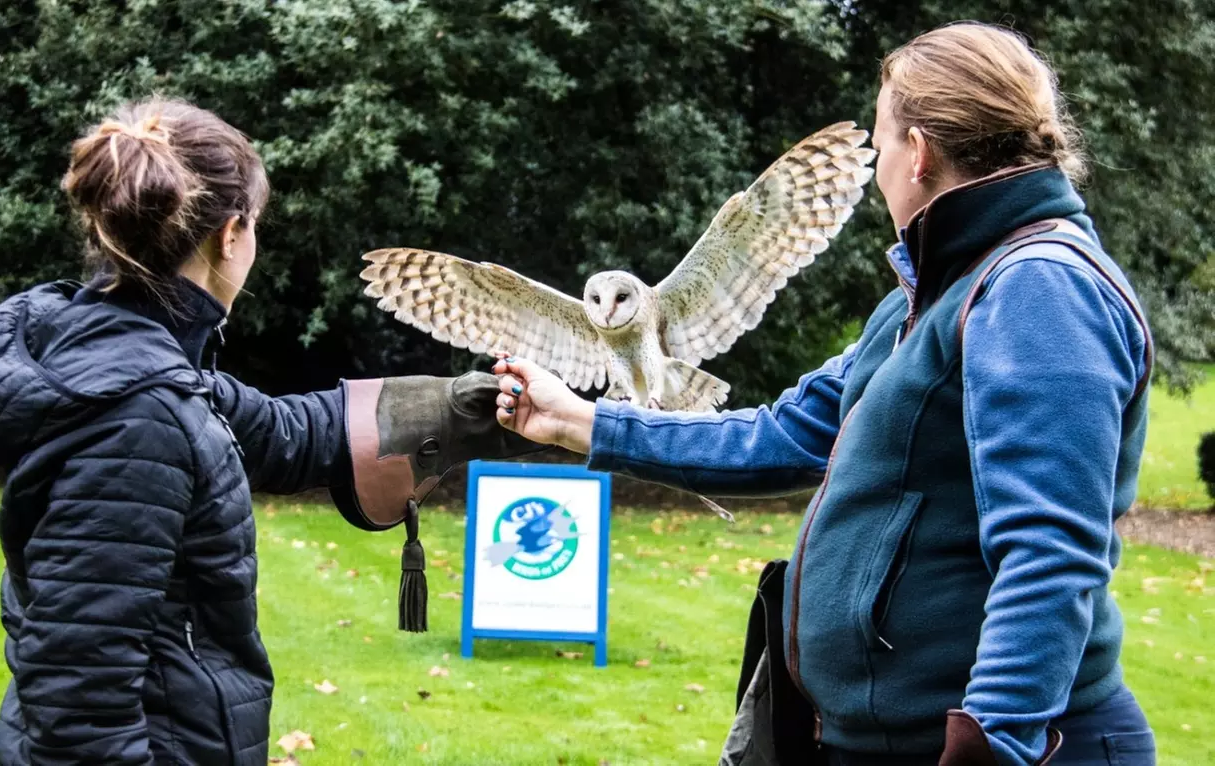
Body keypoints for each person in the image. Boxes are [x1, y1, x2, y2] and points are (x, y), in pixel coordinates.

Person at [491, 22, 1156, 766]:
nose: (877, 174)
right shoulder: (933, 295)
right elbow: (783, 434)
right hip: (877, 743)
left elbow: (1049, 551)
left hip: (992, 749)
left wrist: (989, 749)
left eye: (881, 143)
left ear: (920, 152)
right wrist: (583, 421)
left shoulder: (1040, 288)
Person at [0, 98, 541, 765]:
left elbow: (283, 432)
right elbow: (78, 700)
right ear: (230, 235)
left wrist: (470, 410)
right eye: (255, 226)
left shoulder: (138, 363)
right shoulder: (135, 412)